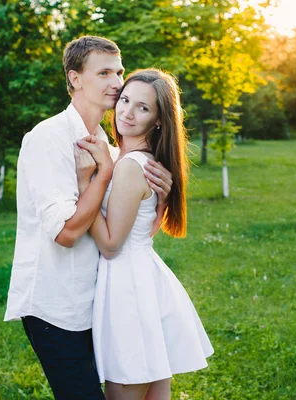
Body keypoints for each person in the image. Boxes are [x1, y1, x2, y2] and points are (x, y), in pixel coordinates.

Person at [3, 36, 173, 400]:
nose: (117, 82)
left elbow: (129, 231)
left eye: (120, 71)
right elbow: (66, 233)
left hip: (100, 303)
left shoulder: (106, 145)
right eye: (104, 73)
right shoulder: (47, 139)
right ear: (75, 78)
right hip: (57, 307)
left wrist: (160, 200)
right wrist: (103, 176)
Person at [76, 69, 214, 400]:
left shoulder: (129, 166)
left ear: (158, 121)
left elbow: (110, 246)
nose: (126, 112)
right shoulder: (129, 160)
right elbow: (144, 228)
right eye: (124, 100)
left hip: (128, 289)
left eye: (142, 108)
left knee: (125, 385)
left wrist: (86, 186)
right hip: (143, 280)